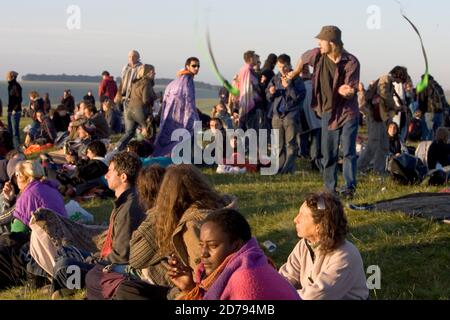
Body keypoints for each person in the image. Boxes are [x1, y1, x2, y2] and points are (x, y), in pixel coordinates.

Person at [113, 164, 236, 300]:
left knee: (123, 287)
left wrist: (159, 211)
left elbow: (136, 258)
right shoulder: (219, 209)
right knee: (126, 287)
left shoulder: (190, 225)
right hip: (194, 288)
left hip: (199, 294)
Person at [52, 152, 145, 299]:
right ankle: (62, 286)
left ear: (123, 177)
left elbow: (121, 256)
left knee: (65, 265)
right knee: (64, 251)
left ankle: (64, 287)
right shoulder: (127, 200)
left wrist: (95, 261)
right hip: (107, 258)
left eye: (110, 171)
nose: (106, 175)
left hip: (118, 268)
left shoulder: (129, 208)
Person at [289, 26, 360, 198]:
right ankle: (330, 189)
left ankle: (349, 187)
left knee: (349, 150)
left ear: (332, 42)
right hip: (327, 112)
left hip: (347, 111)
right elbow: (302, 58)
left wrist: (347, 90)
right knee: (329, 152)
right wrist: (295, 72)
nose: (318, 43)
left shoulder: (351, 61)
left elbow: (350, 86)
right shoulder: (317, 55)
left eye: (321, 40)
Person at [166, 208, 300, 300]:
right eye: (201, 245)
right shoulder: (233, 270)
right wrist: (189, 288)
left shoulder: (246, 278)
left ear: (236, 246)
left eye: (213, 245)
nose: (204, 254)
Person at [279, 192, 369, 300]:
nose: (296, 219)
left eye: (302, 215)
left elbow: (317, 296)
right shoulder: (304, 245)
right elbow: (286, 278)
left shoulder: (344, 256)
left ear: (319, 226)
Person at [0, 160, 67, 289]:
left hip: (45, 247)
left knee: (5, 242)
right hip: (61, 241)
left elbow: (18, 231)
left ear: (27, 176)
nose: (16, 178)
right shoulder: (48, 187)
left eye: (18, 175)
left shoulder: (29, 194)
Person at [152, 58, 201, 157]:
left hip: (169, 117)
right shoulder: (187, 81)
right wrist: (195, 117)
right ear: (187, 66)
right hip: (181, 116)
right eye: (194, 66)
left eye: (198, 66)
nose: (196, 68)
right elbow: (189, 101)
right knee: (188, 134)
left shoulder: (173, 82)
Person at [266, 54, 306, 174]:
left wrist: (288, 87)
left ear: (289, 65)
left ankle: (287, 169)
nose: (282, 69)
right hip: (277, 115)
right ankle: (279, 168)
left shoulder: (297, 79)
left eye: (284, 67)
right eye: (279, 67)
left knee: (290, 144)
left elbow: (299, 98)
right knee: (278, 144)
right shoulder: (275, 78)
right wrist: (271, 92)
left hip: (290, 116)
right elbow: (268, 96)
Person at [115, 64, 156, 151]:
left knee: (129, 133)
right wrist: (156, 97)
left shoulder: (135, 82)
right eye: (153, 72)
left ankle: (116, 149)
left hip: (130, 110)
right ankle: (146, 151)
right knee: (150, 133)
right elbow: (146, 100)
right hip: (140, 111)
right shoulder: (147, 83)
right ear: (148, 73)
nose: (154, 73)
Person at [237, 50, 262, 131]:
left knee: (243, 127)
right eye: (255, 57)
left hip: (244, 103)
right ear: (251, 59)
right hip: (249, 104)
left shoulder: (242, 69)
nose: (257, 60)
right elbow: (254, 85)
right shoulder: (248, 70)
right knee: (249, 129)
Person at [418, 75, 446, 140]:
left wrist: (421, 112)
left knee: (427, 134)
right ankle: (438, 148)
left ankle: (428, 149)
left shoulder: (423, 87)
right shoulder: (438, 87)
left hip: (428, 113)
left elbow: (422, 101)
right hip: (439, 113)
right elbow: (443, 100)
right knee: (439, 135)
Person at [6, 71, 23, 149]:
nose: (7, 78)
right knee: (10, 131)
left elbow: (19, 99)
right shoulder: (10, 86)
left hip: (15, 112)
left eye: (8, 77)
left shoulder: (16, 86)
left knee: (14, 132)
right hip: (10, 111)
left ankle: (17, 149)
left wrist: (14, 110)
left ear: (12, 77)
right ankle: (11, 147)